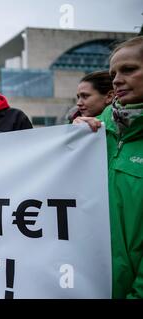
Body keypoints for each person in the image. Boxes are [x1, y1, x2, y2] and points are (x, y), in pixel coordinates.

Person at [73, 36, 143, 298]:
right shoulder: (95, 132)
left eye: (129, 69)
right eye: (114, 73)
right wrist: (68, 146)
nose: (116, 80)